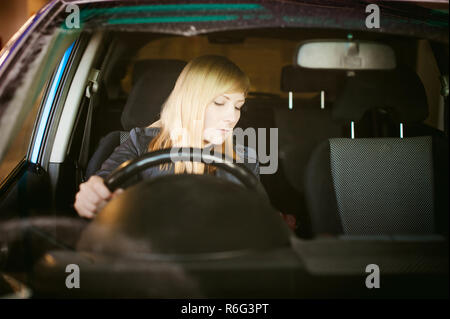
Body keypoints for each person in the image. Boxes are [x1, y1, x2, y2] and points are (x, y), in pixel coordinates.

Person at [74, 55, 260, 219]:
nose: (232, 117)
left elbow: (255, 218)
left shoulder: (245, 159)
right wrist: (93, 194)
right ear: (190, 101)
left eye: (238, 106)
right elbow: (106, 180)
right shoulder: (140, 143)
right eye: (220, 102)